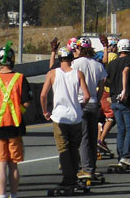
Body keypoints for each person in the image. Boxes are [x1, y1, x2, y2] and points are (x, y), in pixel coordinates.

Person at [0, 41, 32, 198]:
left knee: (1, 163)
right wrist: (17, 112)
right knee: (13, 164)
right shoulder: (20, 79)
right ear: (12, 60)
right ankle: (14, 194)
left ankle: (2, 195)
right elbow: (26, 102)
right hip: (15, 126)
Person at [41, 46, 89, 193]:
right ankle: (73, 177)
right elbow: (86, 96)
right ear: (71, 58)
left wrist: (45, 111)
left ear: (59, 59)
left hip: (59, 117)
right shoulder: (78, 73)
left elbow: (43, 95)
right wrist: (80, 106)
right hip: (75, 117)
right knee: (74, 148)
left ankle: (67, 179)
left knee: (64, 149)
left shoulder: (52, 73)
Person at [71, 37, 106, 181]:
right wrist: (97, 98)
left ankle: (86, 169)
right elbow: (102, 84)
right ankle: (92, 166)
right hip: (94, 103)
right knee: (92, 138)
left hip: (81, 103)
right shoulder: (97, 65)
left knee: (84, 138)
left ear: (79, 48)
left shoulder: (75, 64)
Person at [105, 38, 130, 169]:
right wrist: (124, 90)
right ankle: (126, 156)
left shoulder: (112, 63)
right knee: (129, 129)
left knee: (121, 129)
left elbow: (106, 79)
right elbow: (125, 72)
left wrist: (112, 90)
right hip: (124, 99)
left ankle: (120, 155)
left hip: (113, 98)